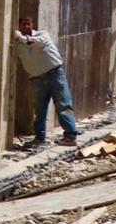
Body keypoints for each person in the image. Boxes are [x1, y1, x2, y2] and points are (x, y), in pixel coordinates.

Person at [12, 16, 79, 148]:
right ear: (19, 26)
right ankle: (39, 138)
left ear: (32, 25)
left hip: (55, 74)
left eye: (28, 24)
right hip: (37, 79)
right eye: (23, 25)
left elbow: (33, 42)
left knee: (63, 105)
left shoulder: (42, 35)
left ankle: (70, 136)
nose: (26, 27)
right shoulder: (19, 44)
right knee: (40, 110)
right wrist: (19, 39)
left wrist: (20, 38)